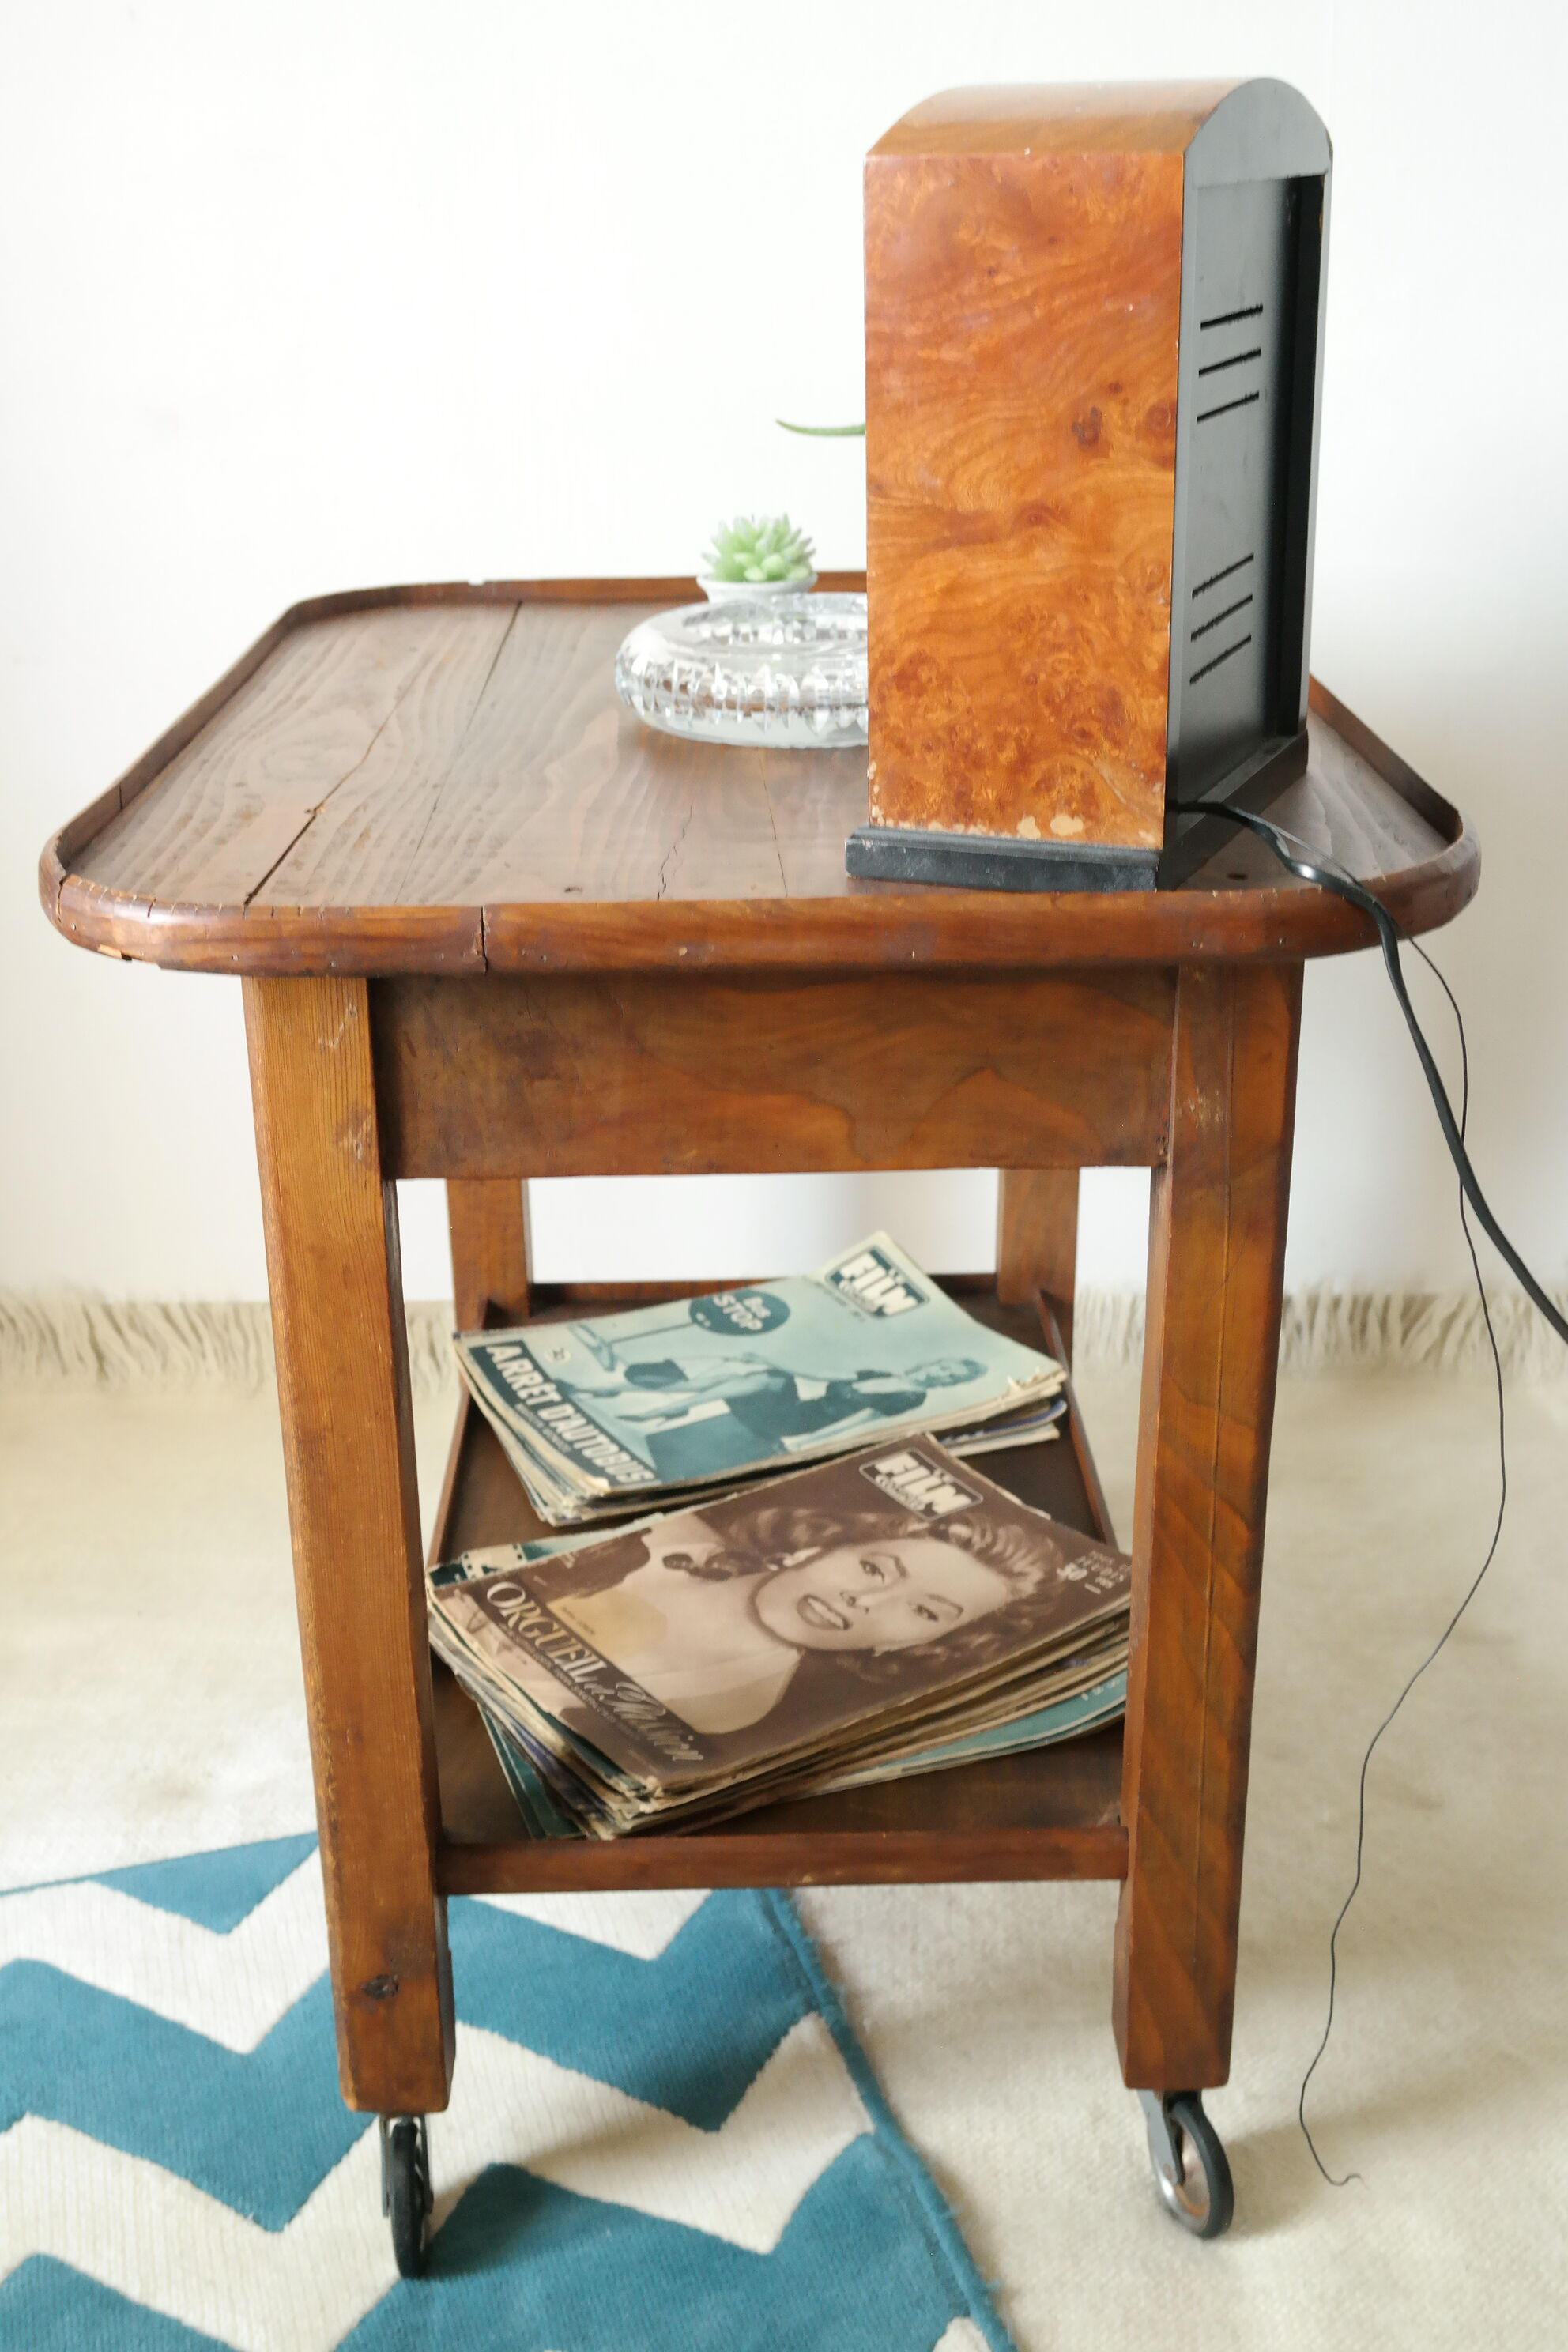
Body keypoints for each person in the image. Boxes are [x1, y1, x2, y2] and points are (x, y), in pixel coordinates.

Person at [544, 1495, 1064, 1740]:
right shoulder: (668, 1532)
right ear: (821, 1546)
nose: (865, 1600)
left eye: (924, 1610)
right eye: (874, 1568)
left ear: (912, 1645)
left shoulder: (729, 1712)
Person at [561, 1349, 989, 1448]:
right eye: (945, 1365)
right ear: (937, 1361)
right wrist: (767, 1357)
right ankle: (636, 1395)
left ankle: (657, 1403)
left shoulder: (910, 1396)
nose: (940, 1372)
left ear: (947, 1383)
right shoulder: (882, 1372)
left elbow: (862, 1422)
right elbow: (819, 1375)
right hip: (792, 1406)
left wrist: (807, 1447)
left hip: (793, 1424)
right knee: (756, 1374)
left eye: (950, 1376)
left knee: (762, 1380)